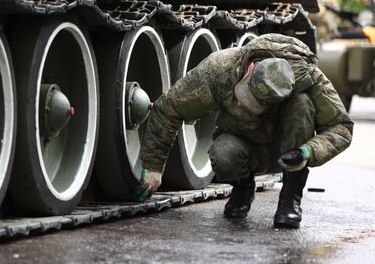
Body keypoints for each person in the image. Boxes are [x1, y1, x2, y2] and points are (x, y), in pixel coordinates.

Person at [136, 33, 353, 228]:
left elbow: (341, 128)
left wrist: (307, 152)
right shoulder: (221, 69)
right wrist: (154, 167)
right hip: (244, 143)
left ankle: (290, 197)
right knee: (223, 155)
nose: (246, 105)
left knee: (302, 104)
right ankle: (242, 188)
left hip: (289, 151)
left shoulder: (311, 80)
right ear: (249, 71)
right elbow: (168, 108)